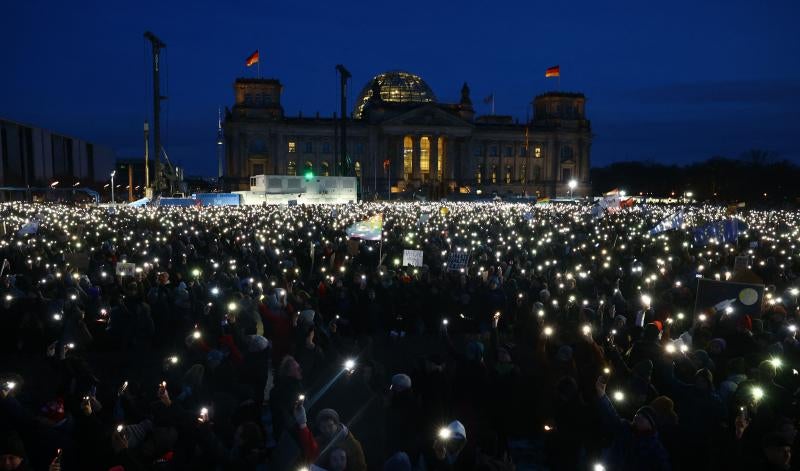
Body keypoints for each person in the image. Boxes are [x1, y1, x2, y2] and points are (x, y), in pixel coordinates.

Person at [595, 375, 670, 471]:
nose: (638, 417)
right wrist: (602, 395)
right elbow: (610, 415)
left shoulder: (655, 448)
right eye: (638, 414)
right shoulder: (625, 427)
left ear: (651, 425)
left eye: (643, 417)